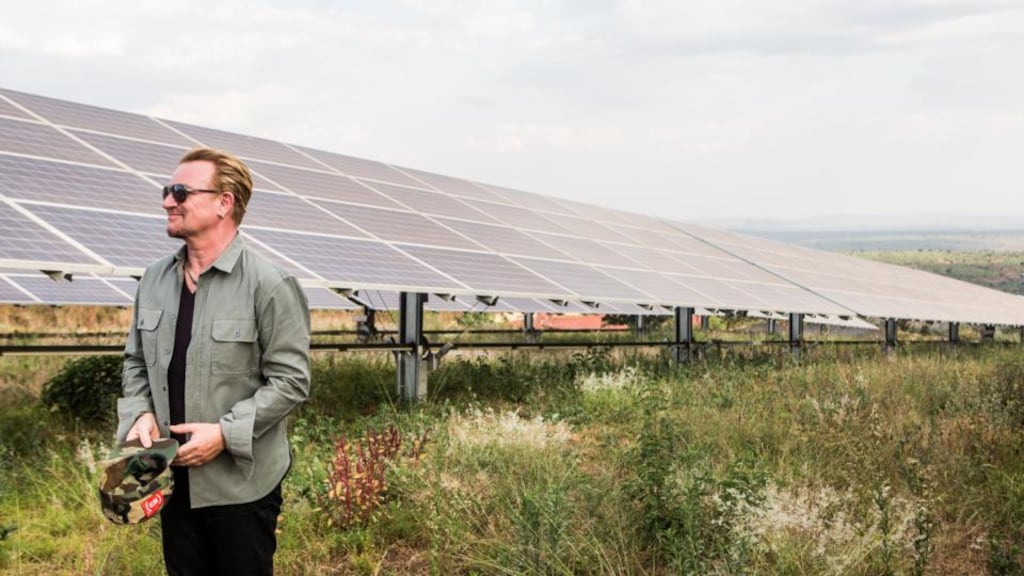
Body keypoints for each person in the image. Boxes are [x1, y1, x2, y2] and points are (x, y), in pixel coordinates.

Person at [117, 147, 311, 575]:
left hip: (241, 485)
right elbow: (135, 362)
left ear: (224, 202)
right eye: (167, 190)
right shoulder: (154, 279)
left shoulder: (270, 284)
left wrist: (224, 434)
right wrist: (141, 412)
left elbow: (291, 381)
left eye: (181, 192)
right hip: (172, 479)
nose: (168, 200)